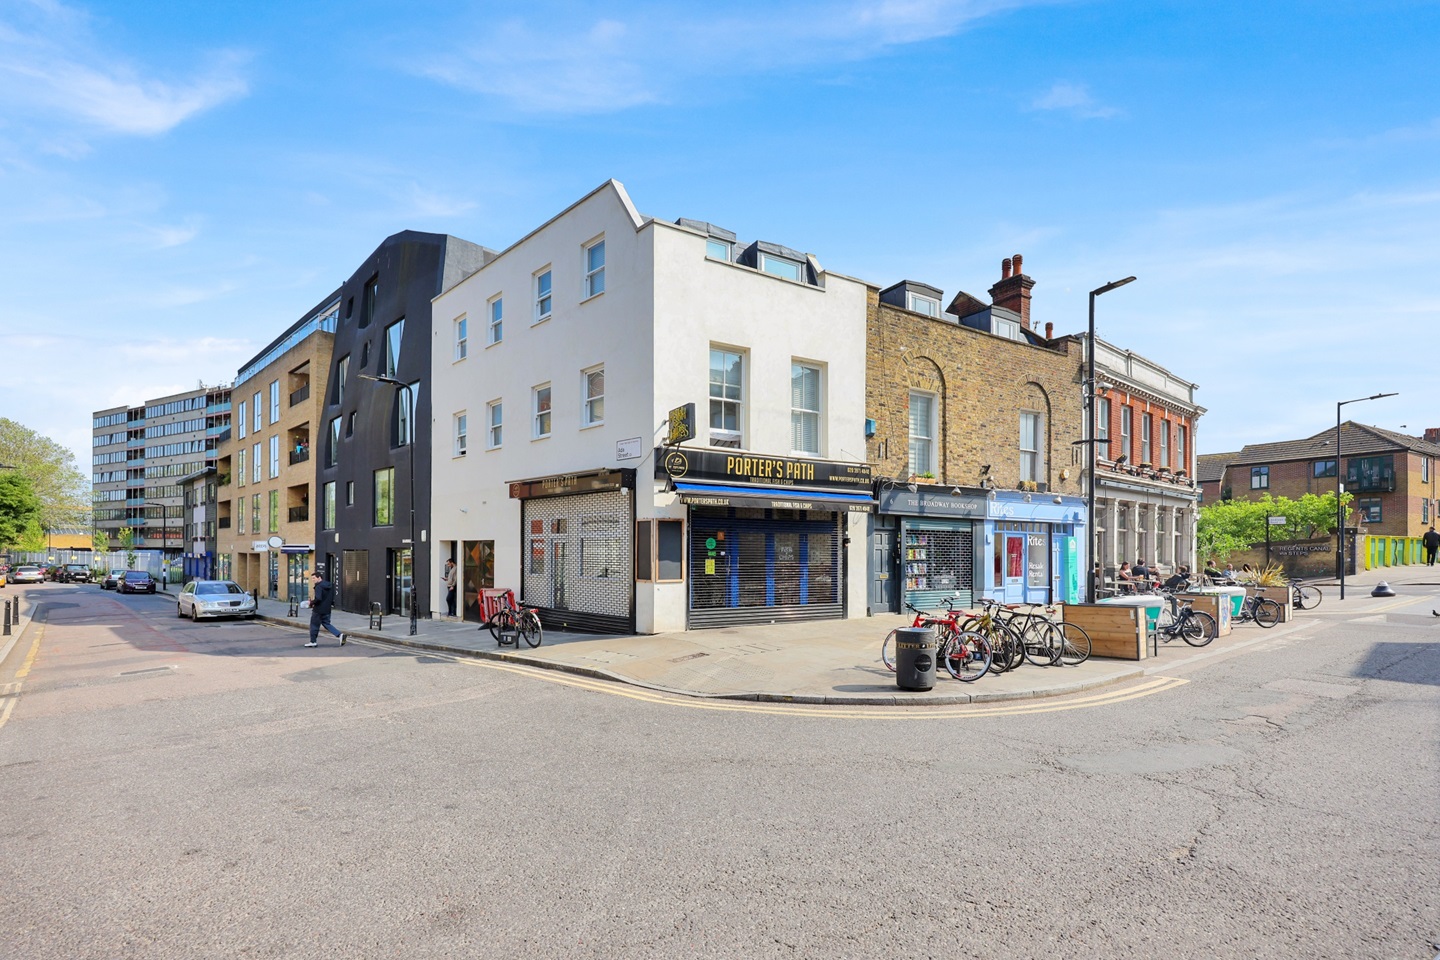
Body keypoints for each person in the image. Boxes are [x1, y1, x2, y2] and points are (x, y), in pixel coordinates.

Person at [302, 569, 346, 648]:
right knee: (326, 624)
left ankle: (313, 642)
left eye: (314, 578)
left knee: (314, 625)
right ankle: (340, 635)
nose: (313, 580)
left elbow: (318, 598)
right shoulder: (330, 585)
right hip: (327, 609)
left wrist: (311, 603)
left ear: (319, 578)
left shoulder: (319, 586)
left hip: (318, 610)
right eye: (312, 578)